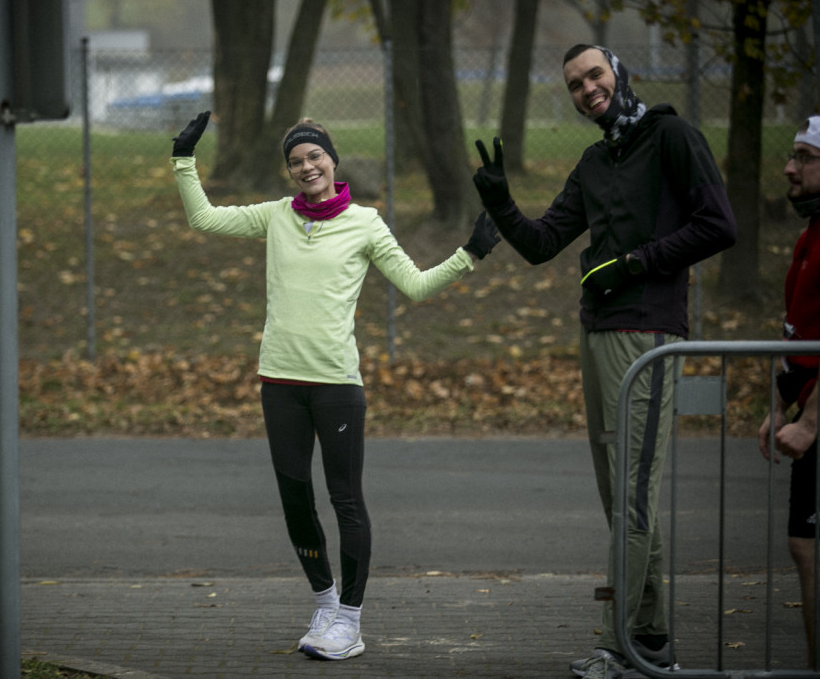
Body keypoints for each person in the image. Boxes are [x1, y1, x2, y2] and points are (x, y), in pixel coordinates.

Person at [169, 111, 499, 661]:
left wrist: (469, 255)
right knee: (295, 498)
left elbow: (414, 286)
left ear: (332, 159)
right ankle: (323, 603)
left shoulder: (367, 224)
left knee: (345, 499)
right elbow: (202, 218)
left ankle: (350, 619)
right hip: (279, 381)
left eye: (314, 156)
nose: (306, 166)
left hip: (336, 385)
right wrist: (184, 159)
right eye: (296, 161)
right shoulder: (274, 217)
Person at [471, 45, 737, 679]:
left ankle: (615, 645)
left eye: (595, 75)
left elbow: (719, 225)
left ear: (620, 73)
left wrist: (637, 263)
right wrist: (501, 202)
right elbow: (541, 244)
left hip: (647, 337)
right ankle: (650, 639)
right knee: (622, 499)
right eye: (574, 85)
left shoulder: (671, 135)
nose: (587, 89)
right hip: (597, 334)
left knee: (634, 498)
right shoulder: (595, 160)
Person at [758, 116, 820, 669]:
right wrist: (779, 405)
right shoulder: (808, 236)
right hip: (802, 403)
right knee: (805, 548)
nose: (789, 167)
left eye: (804, 157)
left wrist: (812, 420)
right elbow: (797, 328)